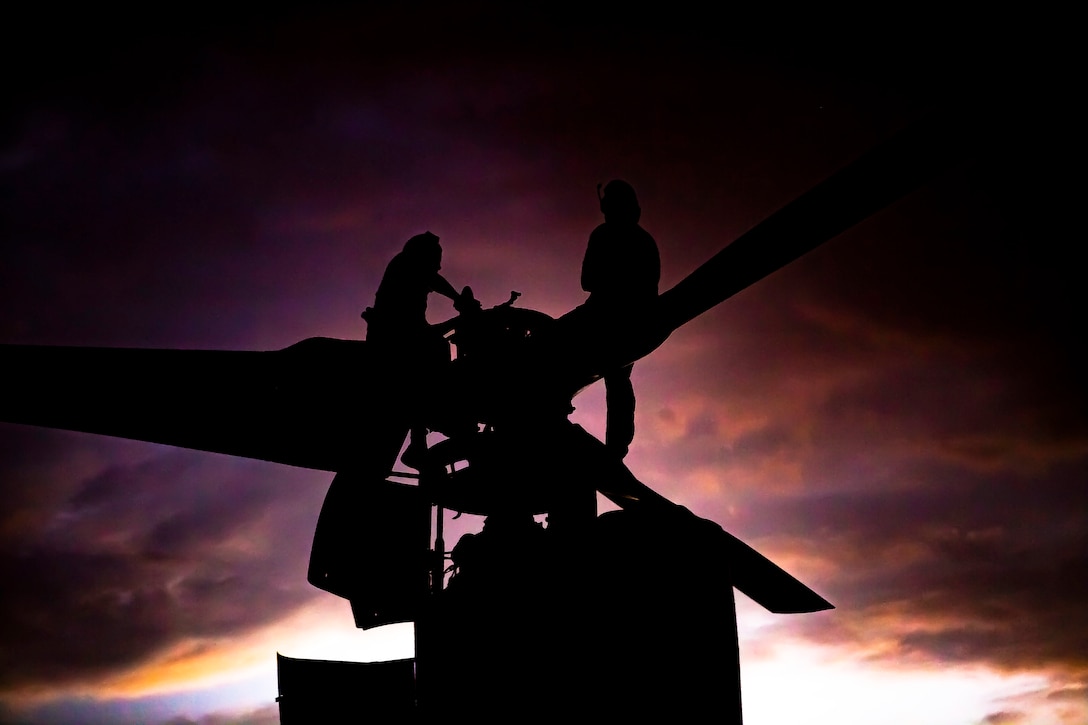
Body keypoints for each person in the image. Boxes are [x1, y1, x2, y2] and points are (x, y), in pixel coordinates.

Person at [363, 231, 470, 468]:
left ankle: (423, 435)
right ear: (423, 256)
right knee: (435, 351)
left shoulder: (408, 271)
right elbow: (433, 281)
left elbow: (433, 285)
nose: (440, 265)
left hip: (403, 333)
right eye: (436, 258)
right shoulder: (407, 267)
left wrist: (457, 303)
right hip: (391, 337)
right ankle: (420, 441)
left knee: (436, 346)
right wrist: (459, 307)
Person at [580, 180, 660, 457]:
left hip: (605, 318)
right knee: (619, 380)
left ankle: (615, 450)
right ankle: (616, 449)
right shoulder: (646, 241)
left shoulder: (602, 235)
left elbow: (587, 281)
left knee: (616, 378)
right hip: (635, 323)